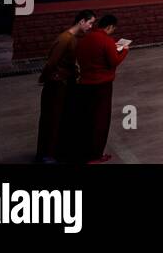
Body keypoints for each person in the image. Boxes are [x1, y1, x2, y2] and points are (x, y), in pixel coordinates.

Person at [36, 10, 94, 163]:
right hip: (57, 84)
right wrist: (44, 78)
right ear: (81, 21)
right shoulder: (65, 39)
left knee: (61, 117)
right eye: (90, 23)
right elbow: (52, 62)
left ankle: (55, 151)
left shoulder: (73, 39)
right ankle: (47, 154)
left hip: (65, 83)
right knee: (53, 117)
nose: (90, 26)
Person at [72, 14, 130, 163]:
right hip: (102, 85)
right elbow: (114, 61)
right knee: (100, 120)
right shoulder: (106, 40)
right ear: (109, 27)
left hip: (84, 83)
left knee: (87, 118)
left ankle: (81, 151)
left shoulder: (85, 39)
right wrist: (124, 50)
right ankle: (95, 154)